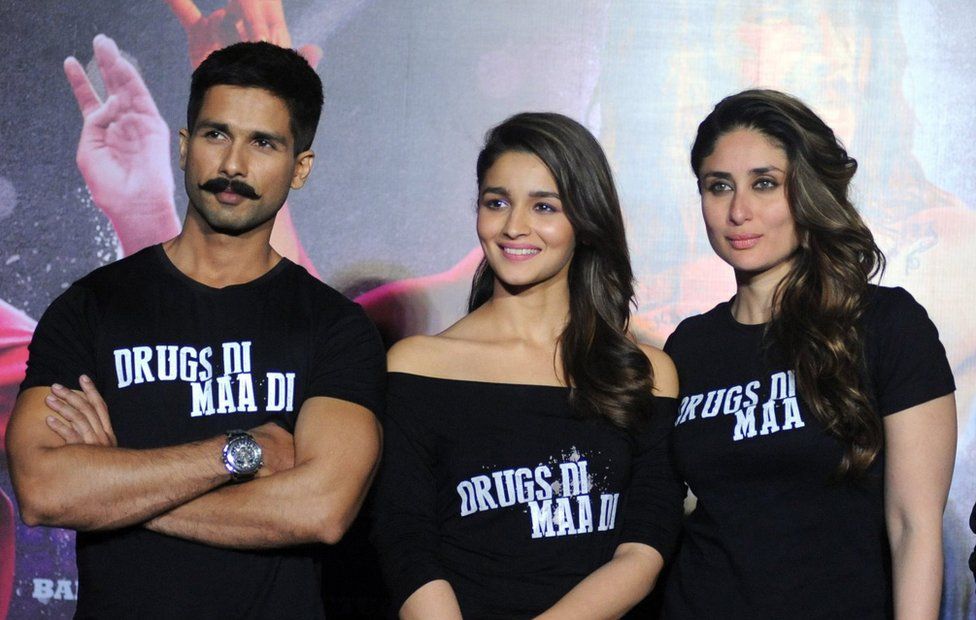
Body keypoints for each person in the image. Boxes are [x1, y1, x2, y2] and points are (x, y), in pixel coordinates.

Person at [6, 41, 385, 618]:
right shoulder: (90, 308)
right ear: (183, 148)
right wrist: (242, 452)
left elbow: (320, 510)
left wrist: (119, 485)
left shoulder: (335, 328)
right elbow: (43, 490)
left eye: (264, 143)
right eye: (215, 135)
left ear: (300, 168)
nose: (233, 165)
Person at [371, 112, 684, 619]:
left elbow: (644, 548)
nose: (515, 226)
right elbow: (405, 539)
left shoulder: (645, 375)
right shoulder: (418, 366)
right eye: (497, 203)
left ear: (584, 219)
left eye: (544, 206)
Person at [662, 89, 957, 618]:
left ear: (809, 193)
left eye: (765, 184)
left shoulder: (885, 324)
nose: (738, 211)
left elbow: (914, 527)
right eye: (718, 186)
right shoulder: (689, 346)